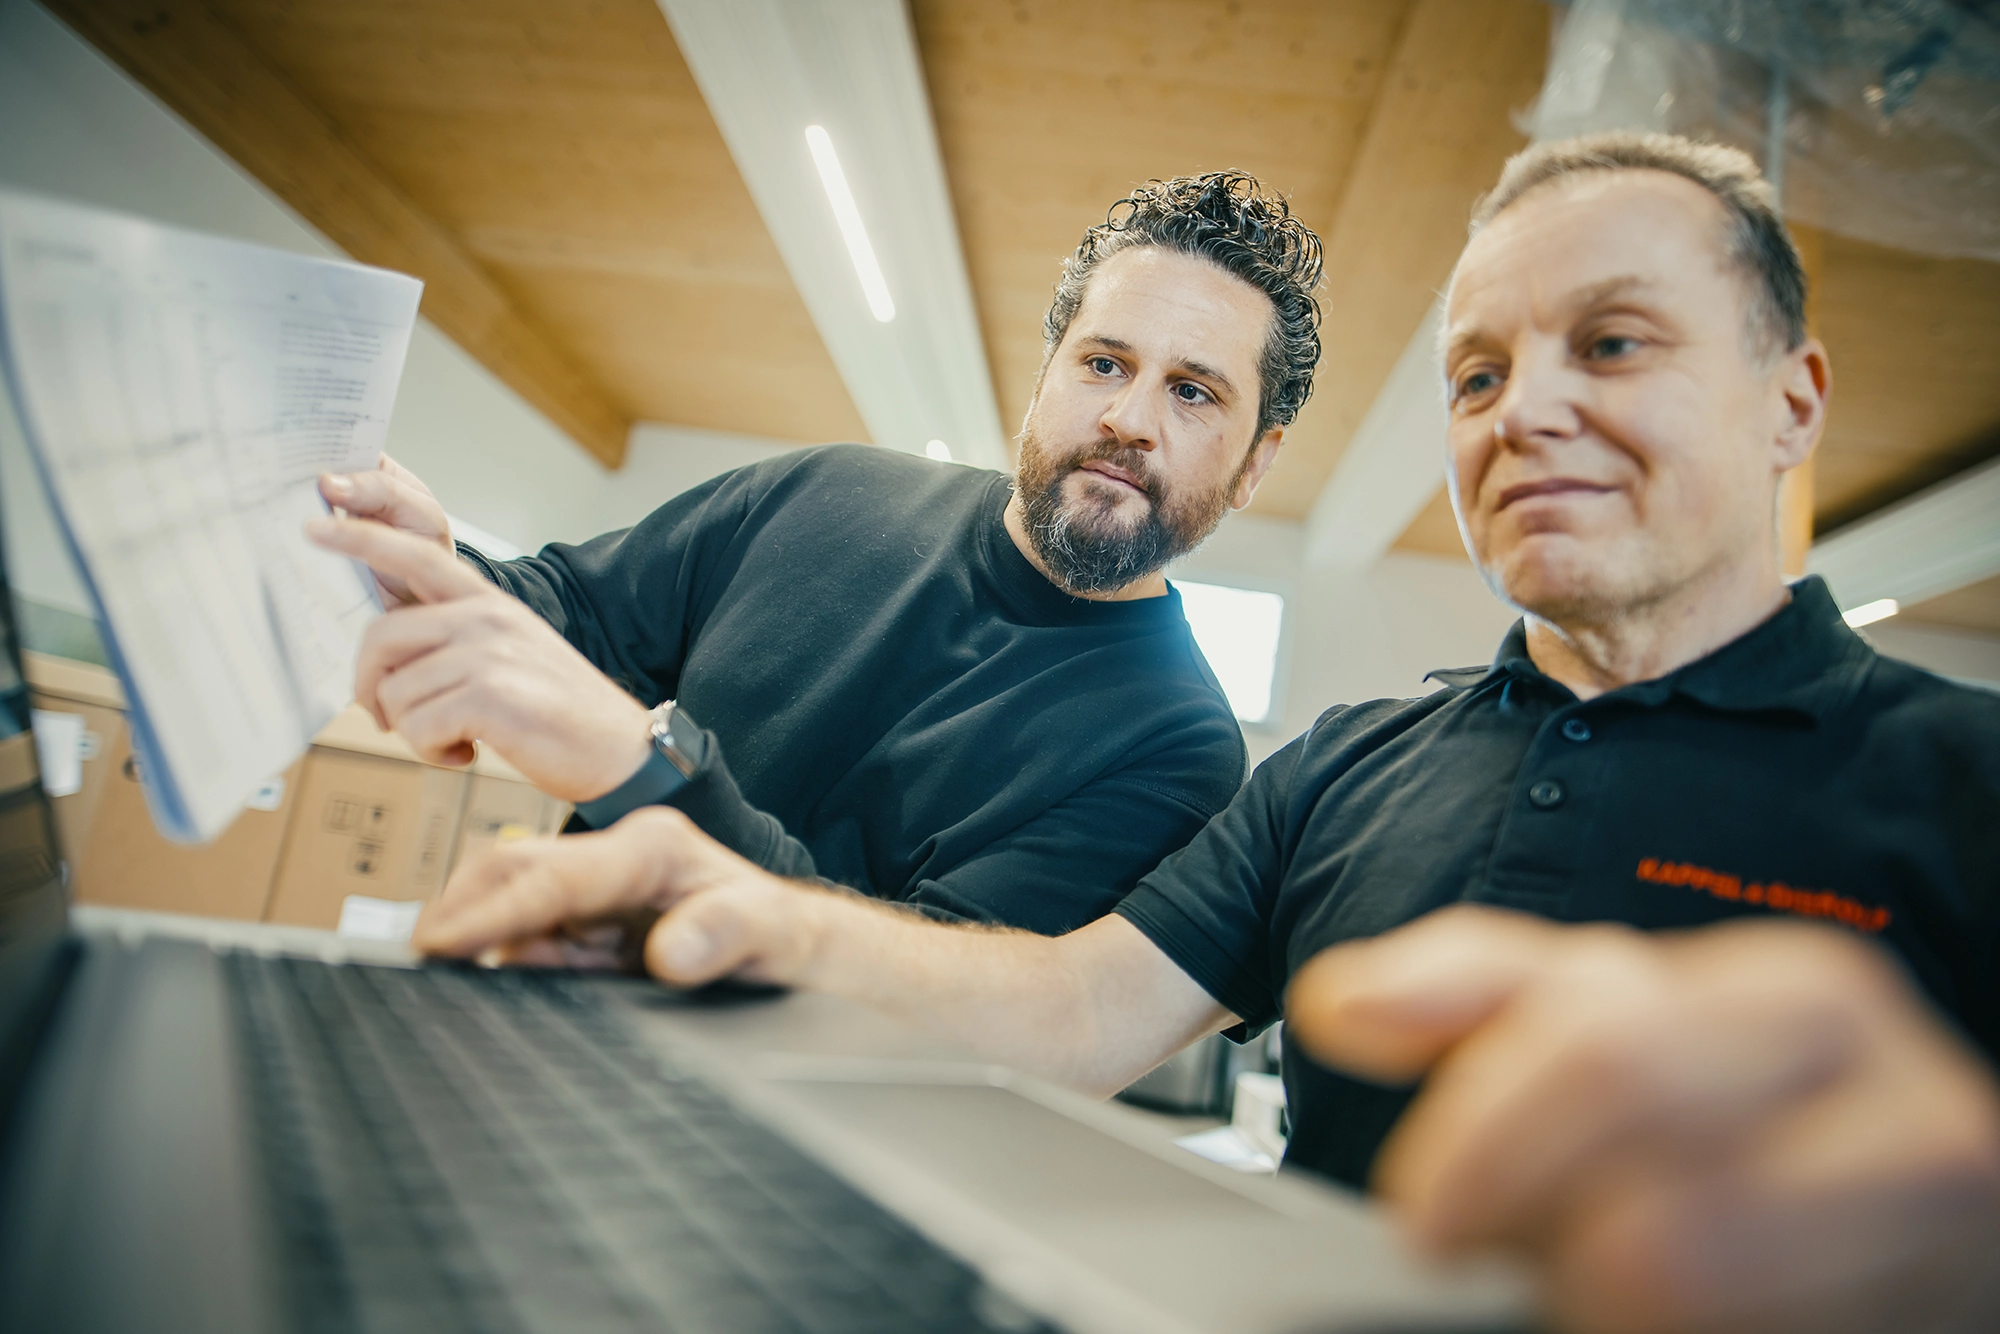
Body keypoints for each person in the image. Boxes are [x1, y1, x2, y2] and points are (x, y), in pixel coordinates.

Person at [403, 131, 2000, 1333]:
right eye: (1477, 371)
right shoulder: (1344, 773)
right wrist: (718, 888)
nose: (1522, 410)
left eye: (1614, 343)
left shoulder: (1969, 779)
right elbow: (1069, 1012)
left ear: (1794, 403)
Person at [311, 172, 1325, 935]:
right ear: (1043, 375)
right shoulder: (824, 491)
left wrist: (646, 765)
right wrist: (433, 561)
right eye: (1101, 361)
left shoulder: (1177, 746)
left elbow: (926, 989)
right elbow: (570, 607)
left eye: (1192, 392)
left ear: (1253, 463)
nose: (1126, 417)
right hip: (540, 995)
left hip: (783, 1166)